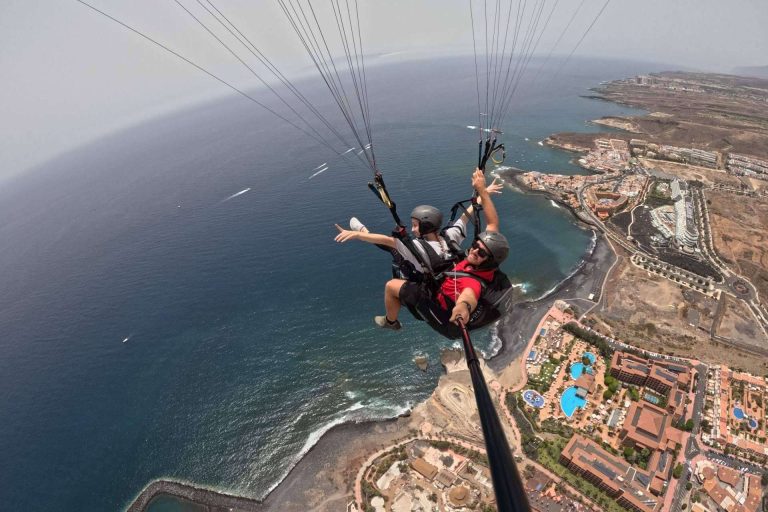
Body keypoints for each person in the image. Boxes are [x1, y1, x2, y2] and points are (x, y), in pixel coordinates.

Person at [374, 169, 509, 331]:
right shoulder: (479, 253)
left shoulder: (472, 281)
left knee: (391, 285)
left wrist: (463, 308)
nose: (473, 251)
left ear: (489, 261)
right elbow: (491, 222)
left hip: (443, 313)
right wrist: (482, 192)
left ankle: (391, 322)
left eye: (480, 253)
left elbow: (469, 296)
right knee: (397, 254)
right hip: (448, 283)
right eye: (475, 245)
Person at [333, 177, 503, 279]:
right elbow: (466, 216)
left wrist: (357, 235)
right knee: (390, 247)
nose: (413, 229)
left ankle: (362, 230)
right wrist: (484, 193)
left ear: (426, 226)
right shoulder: (450, 235)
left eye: (415, 225)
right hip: (446, 272)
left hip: (425, 274)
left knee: (391, 250)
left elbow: (388, 241)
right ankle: (362, 230)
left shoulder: (419, 248)